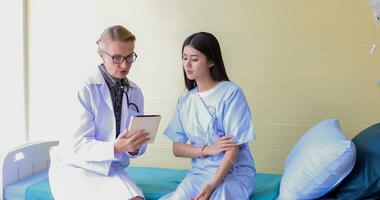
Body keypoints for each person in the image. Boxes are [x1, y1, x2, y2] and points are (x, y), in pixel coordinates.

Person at [49, 25, 150, 200]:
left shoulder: (135, 92)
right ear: (101, 54)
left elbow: (134, 146)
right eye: (117, 58)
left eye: (129, 57)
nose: (124, 64)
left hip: (111, 168)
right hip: (76, 167)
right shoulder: (84, 88)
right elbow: (78, 145)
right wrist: (116, 147)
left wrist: (134, 147)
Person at [160, 32, 256, 200]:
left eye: (195, 59)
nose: (187, 64)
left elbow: (233, 147)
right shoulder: (185, 100)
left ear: (211, 61)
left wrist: (212, 185)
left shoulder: (231, 93)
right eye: (184, 58)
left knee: (219, 197)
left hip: (233, 174)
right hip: (199, 174)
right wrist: (208, 150)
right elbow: (177, 148)